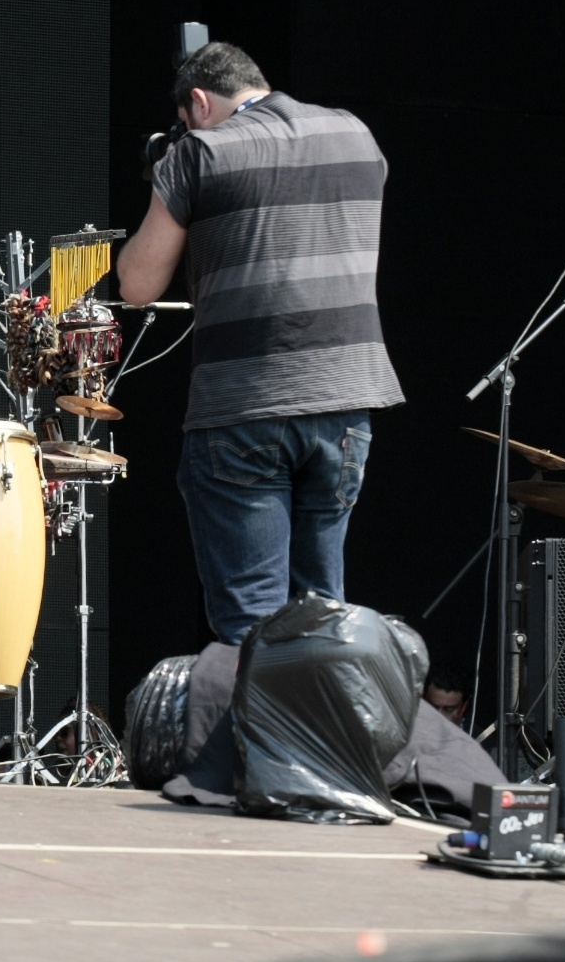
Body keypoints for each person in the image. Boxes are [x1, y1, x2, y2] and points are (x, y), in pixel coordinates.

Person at [116, 42, 404, 646]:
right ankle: (323, 740)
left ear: (198, 101)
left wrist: (172, 176)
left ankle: (264, 743)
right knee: (324, 616)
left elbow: (137, 285)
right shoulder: (355, 133)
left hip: (244, 408)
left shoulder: (200, 151)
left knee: (253, 626)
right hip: (345, 404)